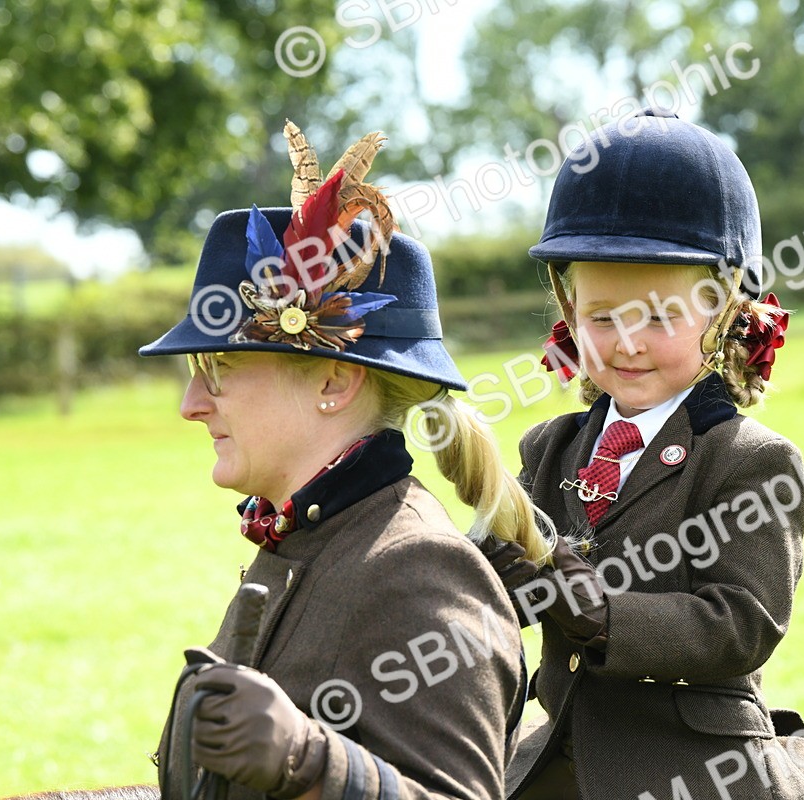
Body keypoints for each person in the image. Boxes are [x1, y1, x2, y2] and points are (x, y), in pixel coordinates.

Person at [138, 122, 551, 800]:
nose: (191, 404)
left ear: (334, 382)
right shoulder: (309, 534)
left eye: (219, 368)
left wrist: (312, 762)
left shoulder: (418, 572)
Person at [484, 108, 804, 800]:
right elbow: (490, 586)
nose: (627, 342)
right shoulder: (550, 450)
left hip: (696, 765)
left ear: (724, 312)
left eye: (660, 318)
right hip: (554, 756)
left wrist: (602, 614)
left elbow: (741, 625)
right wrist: (478, 574)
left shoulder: (750, 460)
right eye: (602, 317)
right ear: (569, 313)